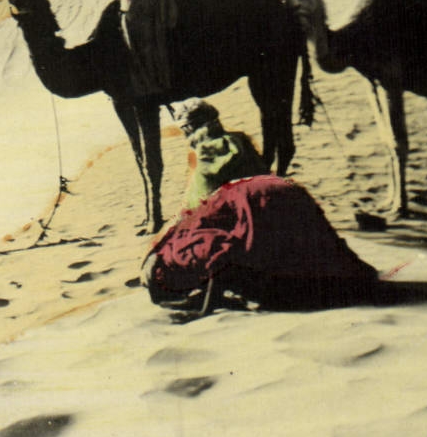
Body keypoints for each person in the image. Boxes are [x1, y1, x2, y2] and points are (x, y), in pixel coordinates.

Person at [143, 102, 378, 315]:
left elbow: (199, 210)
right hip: (286, 195)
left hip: (255, 208)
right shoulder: (239, 140)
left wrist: (203, 308)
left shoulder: (205, 153)